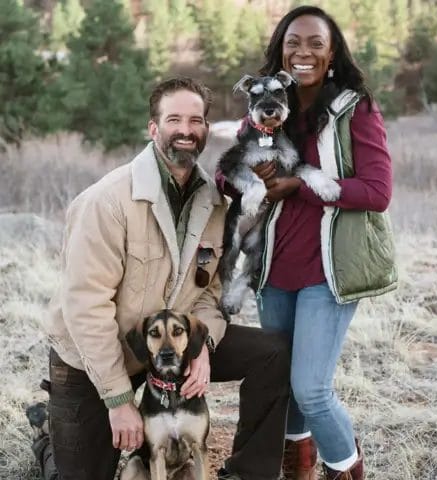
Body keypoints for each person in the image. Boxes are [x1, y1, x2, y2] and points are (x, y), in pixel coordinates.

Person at [26, 77, 290, 480]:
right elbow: (86, 307)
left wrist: (203, 345)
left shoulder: (214, 203)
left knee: (273, 352)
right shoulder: (107, 200)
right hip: (97, 356)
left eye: (196, 121)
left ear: (206, 129)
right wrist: (118, 399)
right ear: (153, 128)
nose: (186, 130)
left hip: (172, 345)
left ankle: (248, 473)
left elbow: (210, 292)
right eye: (174, 119)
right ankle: (49, 438)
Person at [216, 5, 396, 480]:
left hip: (328, 269)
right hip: (272, 269)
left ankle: (345, 467)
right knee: (284, 379)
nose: (304, 52)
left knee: (312, 390)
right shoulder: (268, 108)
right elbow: (225, 174)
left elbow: (378, 192)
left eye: (316, 43)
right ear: (281, 52)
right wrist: (248, 182)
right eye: (293, 42)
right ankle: (299, 468)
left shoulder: (355, 109)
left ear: (332, 53)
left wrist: (297, 186)